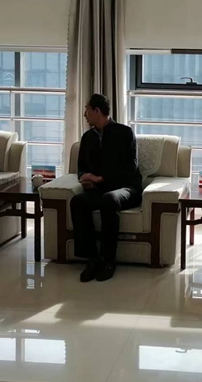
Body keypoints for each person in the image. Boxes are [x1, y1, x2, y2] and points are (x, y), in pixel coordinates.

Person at [70, 94, 142, 283]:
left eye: (87, 110)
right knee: (78, 201)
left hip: (126, 188)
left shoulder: (125, 133)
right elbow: (81, 168)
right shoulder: (87, 138)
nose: (84, 115)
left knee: (109, 200)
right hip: (99, 189)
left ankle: (109, 261)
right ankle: (92, 259)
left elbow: (129, 169)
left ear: (97, 110)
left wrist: (100, 178)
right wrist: (85, 179)